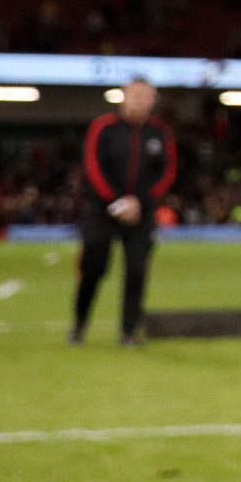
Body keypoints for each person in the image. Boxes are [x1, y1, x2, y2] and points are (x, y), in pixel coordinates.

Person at [72, 76, 176, 348]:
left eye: (146, 96)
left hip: (142, 214)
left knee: (137, 271)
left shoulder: (160, 132)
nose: (140, 101)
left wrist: (140, 201)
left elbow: (167, 172)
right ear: (123, 97)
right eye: (135, 95)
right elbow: (93, 168)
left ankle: (129, 331)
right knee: (93, 268)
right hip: (101, 212)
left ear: (153, 101)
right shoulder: (103, 128)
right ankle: (80, 323)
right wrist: (117, 202)